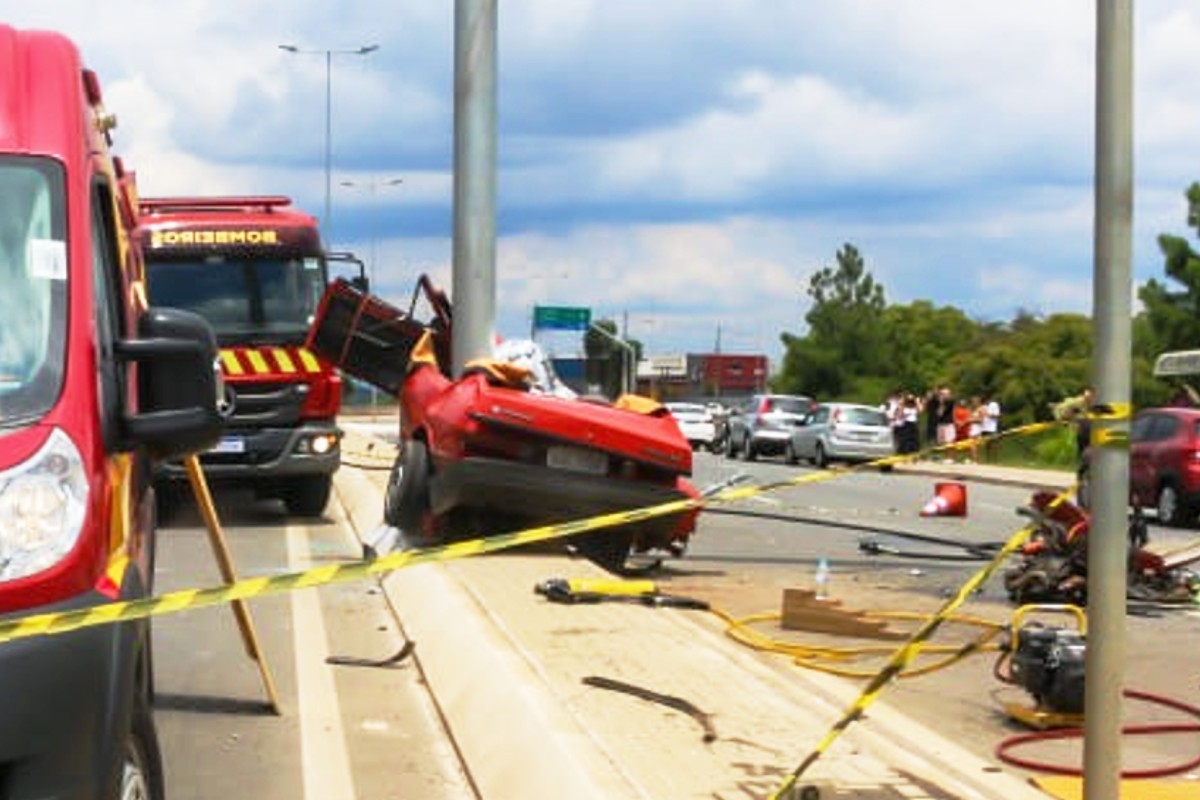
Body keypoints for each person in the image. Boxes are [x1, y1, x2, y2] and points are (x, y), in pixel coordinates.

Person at [1055, 386, 1094, 461]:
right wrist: (1060, 419)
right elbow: (1059, 408)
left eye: (1091, 397)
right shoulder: (1078, 401)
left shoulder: (1087, 404)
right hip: (1065, 414)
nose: (1090, 399)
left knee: (1085, 427)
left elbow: (1084, 414)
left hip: (1077, 419)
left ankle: (1084, 456)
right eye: (1089, 397)